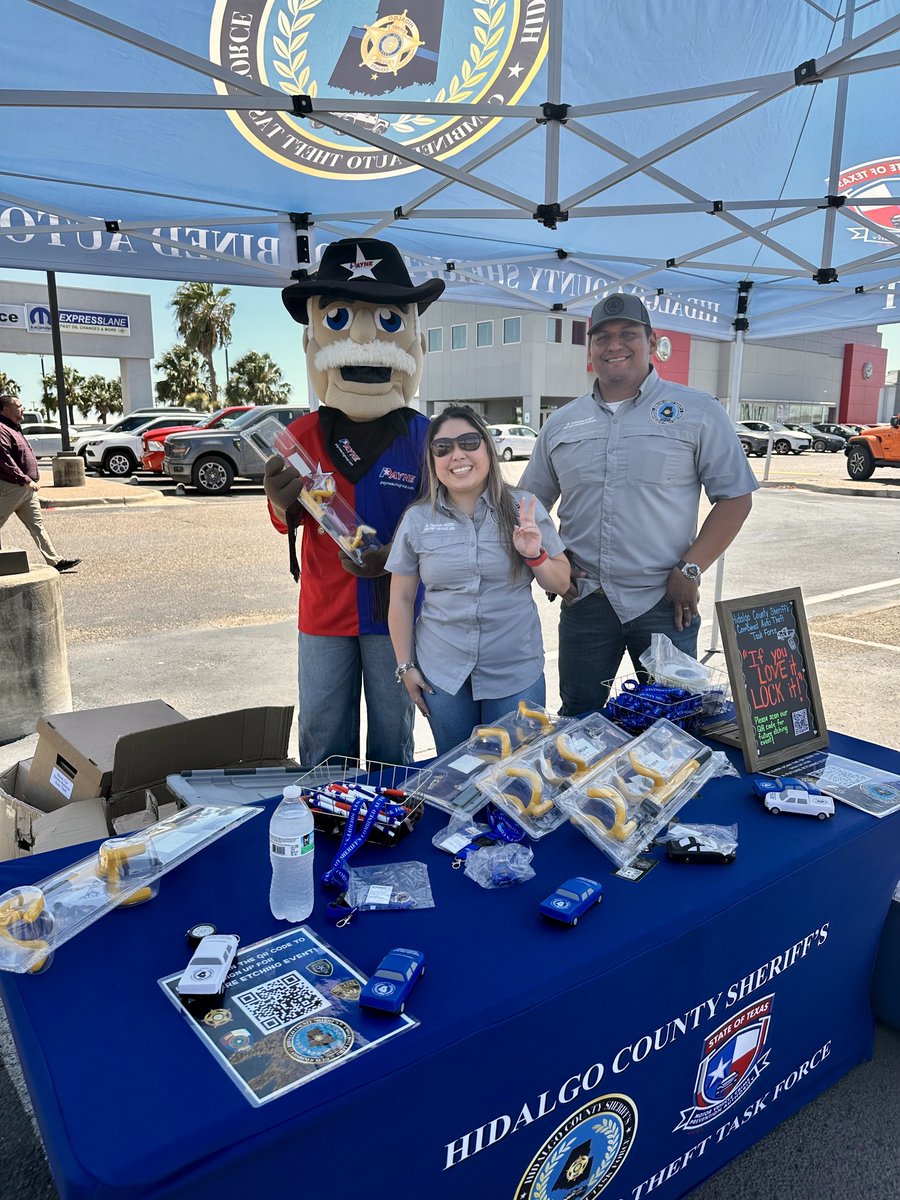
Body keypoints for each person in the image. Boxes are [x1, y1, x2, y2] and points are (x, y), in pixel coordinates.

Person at [521, 294, 757, 716]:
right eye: (602, 337)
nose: (615, 345)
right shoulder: (561, 423)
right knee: (579, 718)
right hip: (587, 600)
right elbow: (529, 504)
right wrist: (552, 559)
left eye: (628, 334)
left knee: (674, 722)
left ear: (651, 342)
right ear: (590, 350)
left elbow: (735, 497)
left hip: (665, 602)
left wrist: (691, 568)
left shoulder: (697, 411)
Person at [262, 238, 445, 767]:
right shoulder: (301, 436)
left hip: (397, 614)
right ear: (312, 338)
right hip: (325, 612)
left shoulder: (424, 438)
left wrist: (395, 555)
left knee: (394, 738)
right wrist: (278, 503)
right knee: (323, 738)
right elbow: (285, 523)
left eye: (388, 320)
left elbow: (445, 525)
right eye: (339, 317)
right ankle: (324, 812)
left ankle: (388, 811)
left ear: (415, 341)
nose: (362, 338)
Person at [387, 406, 570, 755]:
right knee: (457, 772)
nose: (457, 454)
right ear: (433, 460)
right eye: (443, 448)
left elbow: (561, 584)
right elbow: (401, 599)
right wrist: (405, 666)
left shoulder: (524, 507)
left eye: (469, 442)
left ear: (487, 448)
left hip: (514, 672)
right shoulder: (417, 520)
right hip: (444, 675)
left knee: (515, 772)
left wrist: (535, 554)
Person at [0, 393, 80, 573]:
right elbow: (3, 458)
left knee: (37, 525)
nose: (22, 409)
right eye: (18, 406)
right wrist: (24, 479)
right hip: (12, 487)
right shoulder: (2, 428)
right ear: (5, 408)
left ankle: (55, 561)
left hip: (26, 490)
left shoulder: (14, 428)